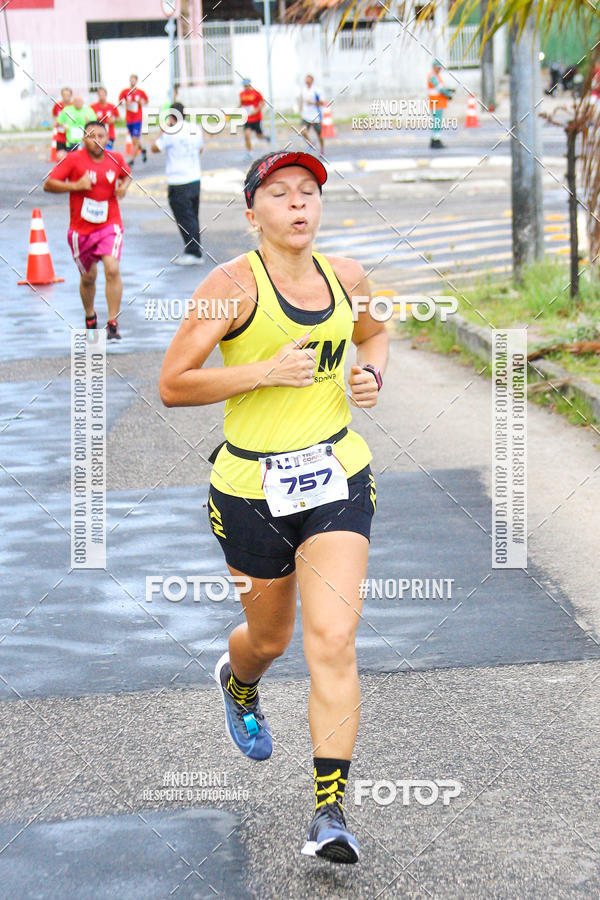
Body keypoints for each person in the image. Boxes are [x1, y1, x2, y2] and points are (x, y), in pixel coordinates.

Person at [159, 150, 388, 864]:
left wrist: (373, 373)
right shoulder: (229, 288)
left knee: (332, 641)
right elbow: (173, 383)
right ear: (253, 212)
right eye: (281, 194)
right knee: (270, 641)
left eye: (310, 193)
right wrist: (263, 371)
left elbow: (375, 333)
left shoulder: (346, 277)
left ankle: (330, 814)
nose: (299, 205)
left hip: (336, 477)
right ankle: (239, 681)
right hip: (250, 490)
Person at [43, 121, 132, 340]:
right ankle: (90, 315)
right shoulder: (73, 160)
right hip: (81, 230)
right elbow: (48, 184)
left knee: (112, 268)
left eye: (102, 136)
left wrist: (123, 187)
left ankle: (113, 322)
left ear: (108, 138)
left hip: (109, 224)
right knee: (89, 277)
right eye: (93, 136)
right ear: (84, 139)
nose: (98, 140)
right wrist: (75, 186)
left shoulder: (115, 158)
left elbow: (127, 174)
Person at [151, 101, 204, 265]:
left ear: (171, 116)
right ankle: (194, 249)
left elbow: (154, 148)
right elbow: (200, 149)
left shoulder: (170, 132)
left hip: (178, 181)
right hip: (194, 178)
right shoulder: (195, 129)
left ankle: (194, 253)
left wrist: (163, 128)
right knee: (192, 216)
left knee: (185, 218)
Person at [118, 74, 149, 165]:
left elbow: (146, 101)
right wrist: (125, 103)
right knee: (134, 140)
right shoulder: (125, 92)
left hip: (137, 118)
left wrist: (141, 102)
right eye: (131, 80)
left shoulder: (140, 92)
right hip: (129, 119)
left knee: (135, 139)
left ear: (136, 81)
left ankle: (132, 159)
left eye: (134, 80)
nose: (132, 81)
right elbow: (120, 102)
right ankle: (143, 150)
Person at [427, 59, 454, 149]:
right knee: (437, 122)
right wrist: (448, 94)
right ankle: (436, 141)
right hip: (436, 103)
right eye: (438, 67)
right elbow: (440, 88)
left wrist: (449, 90)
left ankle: (434, 139)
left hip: (438, 102)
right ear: (434, 67)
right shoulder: (433, 77)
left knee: (437, 122)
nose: (439, 69)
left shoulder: (436, 76)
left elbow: (441, 87)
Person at [239, 78, 268, 158]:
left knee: (259, 136)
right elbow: (241, 104)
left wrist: (256, 110)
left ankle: (266, 136)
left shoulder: (256, 93)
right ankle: (249, 152)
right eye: (244, 86)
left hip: (256, 118)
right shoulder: (241, 94)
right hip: (247, 119)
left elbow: (263, 103)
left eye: (247, 86)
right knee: (246, 134)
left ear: (250, 85)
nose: (246, 87)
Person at [299, 74, 324, 155]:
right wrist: (301, 111)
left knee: (319, 134)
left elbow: (322, 102)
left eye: (308, 80)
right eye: (306, 80)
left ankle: (322, 149)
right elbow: (302, 101)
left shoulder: (317, 90)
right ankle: (310, 143)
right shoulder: (303, 90)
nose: (307, 82)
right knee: (303, 131)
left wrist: (312, 103)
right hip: (306, 116)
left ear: (312, 81)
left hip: (315, 116)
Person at [52, 86, 72, 160]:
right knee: (60, 157)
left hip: (71, 136)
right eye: (64, 95)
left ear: (70, 96)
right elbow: (54, 116)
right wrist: (58, 123)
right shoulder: (57, 105)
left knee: (71, 157)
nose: (66, 97)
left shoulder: (73, 106)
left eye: (68, 95)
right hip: (60, 135)